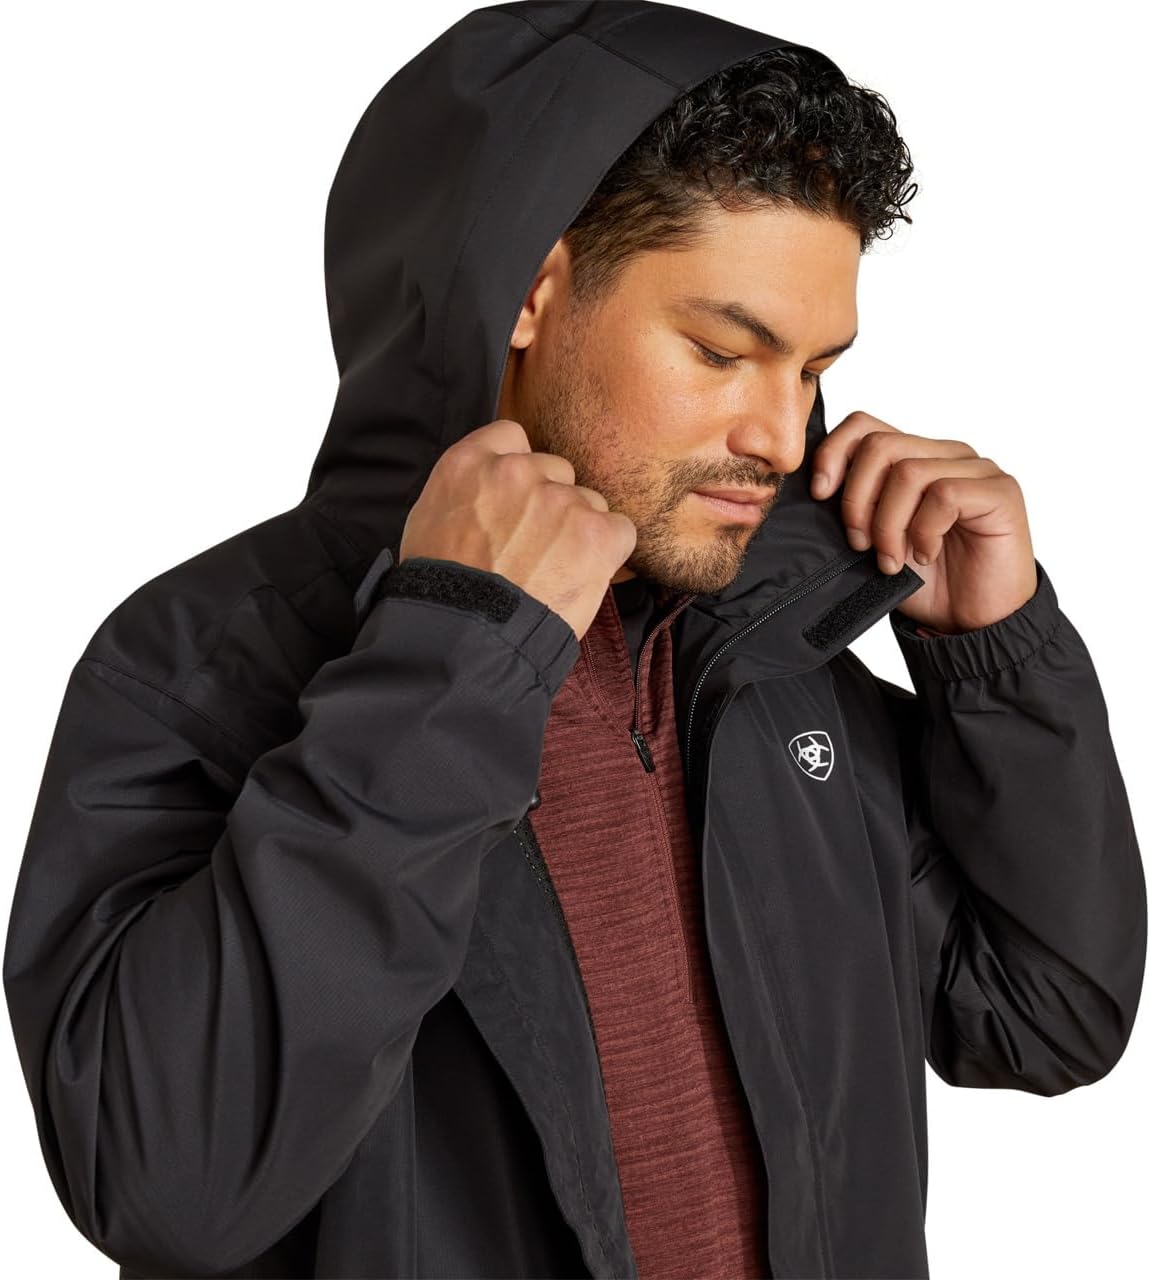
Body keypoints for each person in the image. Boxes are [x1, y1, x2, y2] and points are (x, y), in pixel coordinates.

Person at [3, 2, 1145, 1278]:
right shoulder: (203, 665)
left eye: (811, 367)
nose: (782, 435)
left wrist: (998, 656)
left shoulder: (769, 656)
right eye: (722, 350)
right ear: (531, 292)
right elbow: (167, 1184)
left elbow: (1042, 1015)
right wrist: (454, 657)